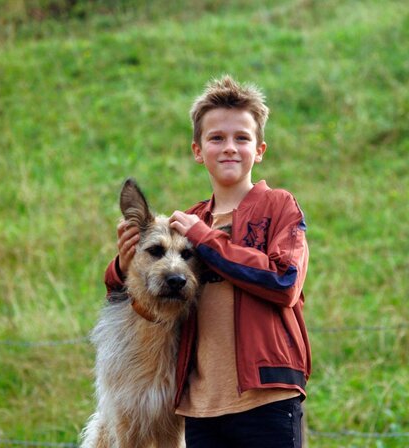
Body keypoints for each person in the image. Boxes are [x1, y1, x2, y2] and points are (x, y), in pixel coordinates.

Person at [105, 75, 311, 447]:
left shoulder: (278, 207)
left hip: (267, 399)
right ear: (198, 150)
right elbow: (132, 289)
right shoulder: (187, 220)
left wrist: (203, 236)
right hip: (200, 410)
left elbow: (285, 282)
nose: (229, 147)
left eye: (242, 138)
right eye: (216, 138)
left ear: (259, 149)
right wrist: (122, 264)